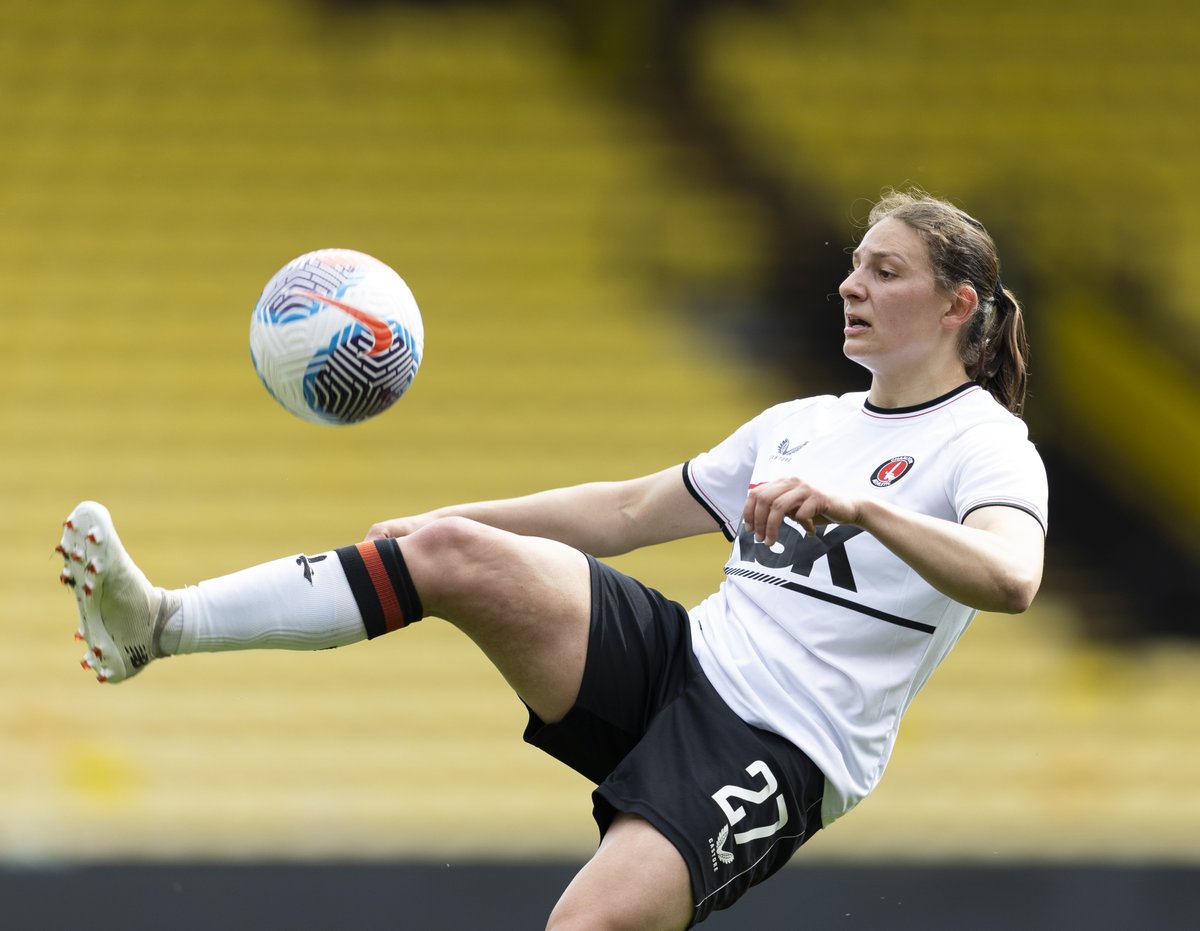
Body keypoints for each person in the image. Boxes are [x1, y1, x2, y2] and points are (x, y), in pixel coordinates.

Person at [58, 188, 1048, 930]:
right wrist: (450, 518)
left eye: (885, 270)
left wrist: (866, 506)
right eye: (855, 263)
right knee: (449, 554)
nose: (850, 283)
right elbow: (624, 510)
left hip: (777, 746)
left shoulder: (985, 443)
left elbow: (1011, 578)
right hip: (683, 657)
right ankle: (160, 623)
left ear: (958, 304)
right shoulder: (802, 422)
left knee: (582, 927)